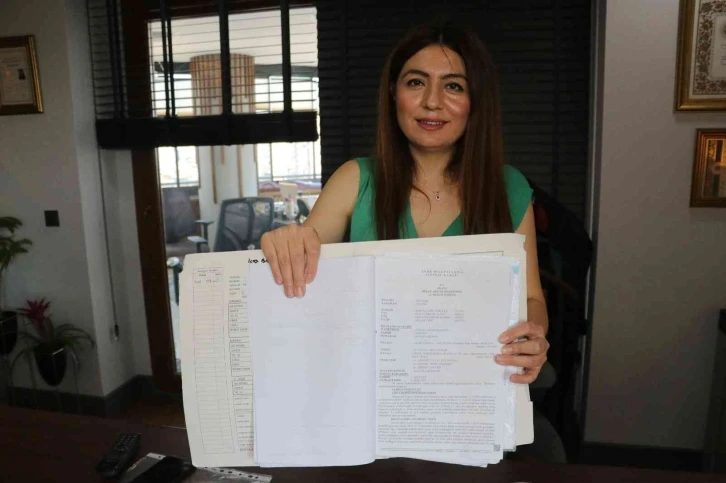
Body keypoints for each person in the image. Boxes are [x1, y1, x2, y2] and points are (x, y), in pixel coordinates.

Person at [261, 20, 549, 386]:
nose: (432, 101)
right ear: (393, 93)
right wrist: (288, 243)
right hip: (368, 389)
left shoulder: (509, 187)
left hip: (470, 391)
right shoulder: (355, 179)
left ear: (476, 101)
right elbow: (300, 265)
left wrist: (533, 335)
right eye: (416, 82)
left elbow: (531, 298)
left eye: (454, 86)